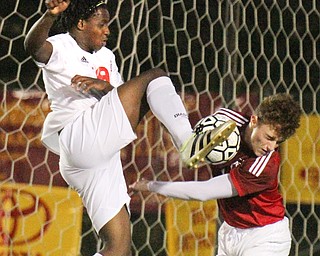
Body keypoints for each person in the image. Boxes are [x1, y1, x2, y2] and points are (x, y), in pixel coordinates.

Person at [24, 1, 236, 255]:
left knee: (118, 245)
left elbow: (120, 101)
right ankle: (188, 142)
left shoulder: (107, 57)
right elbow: (34, 47)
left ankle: (188, 142)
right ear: (81, 24)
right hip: (79, 135)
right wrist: (51, 14)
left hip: (96, 160)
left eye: (108, 25)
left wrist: (104, 87)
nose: (107, 31)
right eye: (101, 24)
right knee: (155, 76)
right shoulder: (61, 45)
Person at [130, 93, 302, 256]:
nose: (271, 147)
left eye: (278, 142)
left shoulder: (265, 166)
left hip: (265, 237)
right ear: (254, 120)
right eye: (269, 137)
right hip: (229, 231)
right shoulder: (224, 121)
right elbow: (189, 144)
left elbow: (205, 192)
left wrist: (151, 185)